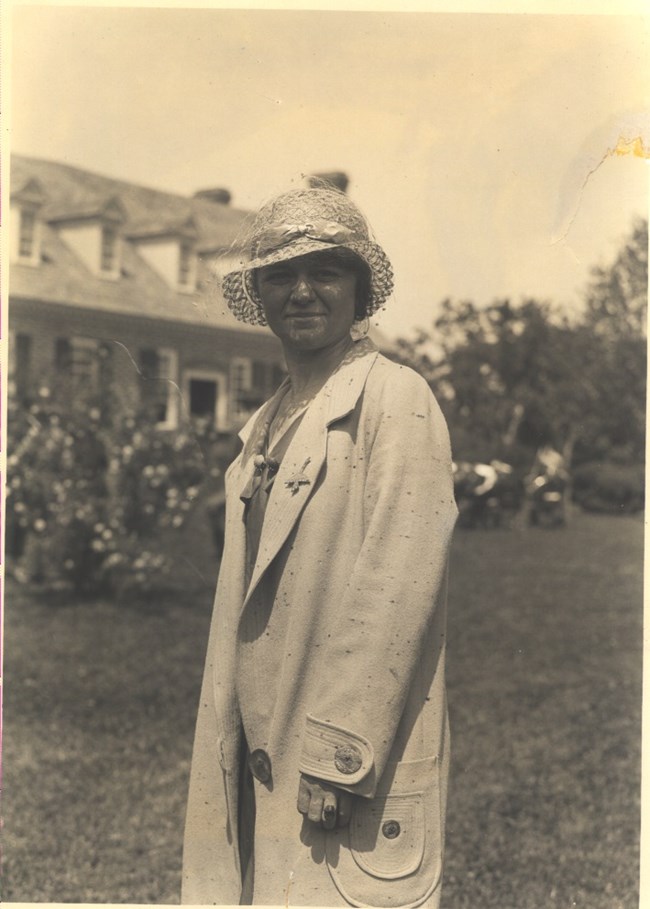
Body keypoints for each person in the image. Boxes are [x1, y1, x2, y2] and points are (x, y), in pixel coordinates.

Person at [182, 185, 458, 907]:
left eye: (327, 271)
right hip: (255, 746)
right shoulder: (264, 423)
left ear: (359, 289)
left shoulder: (395, 400)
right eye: (282, 274)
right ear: (259, 292)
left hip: (335, 763)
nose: (303, 291)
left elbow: (397, 590)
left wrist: (340, 752)